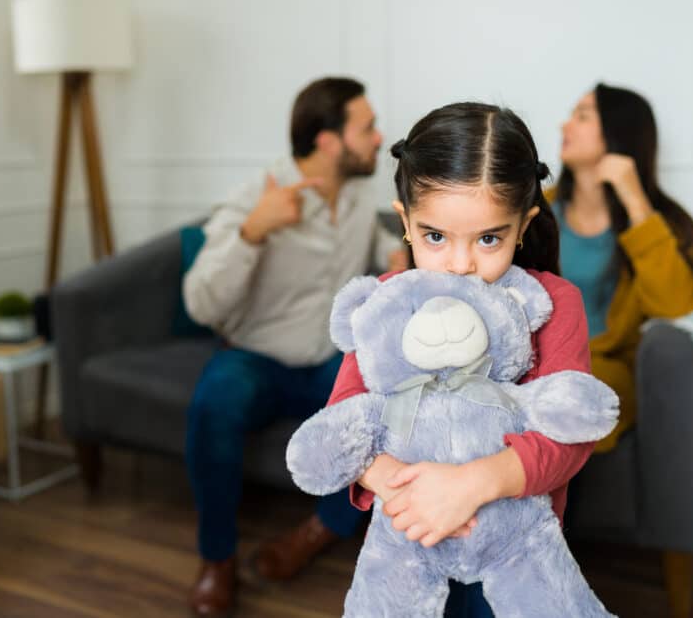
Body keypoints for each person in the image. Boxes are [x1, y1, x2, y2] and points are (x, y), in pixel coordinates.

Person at [327, 102, 601, 616]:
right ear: (405, 221)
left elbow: (569, 436)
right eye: (435, 236)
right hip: (412, 542)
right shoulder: (386, 303)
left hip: (510, 549)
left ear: (524, 226)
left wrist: (472, 485)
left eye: (489, 239)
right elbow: (345, 415)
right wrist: (400, 487)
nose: (459, 265)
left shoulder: (555, 303)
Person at [182, 76, 407, 616]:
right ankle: (217, 560)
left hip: (325, 361)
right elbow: (200, 304)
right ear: (329, 141)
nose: (379, 138)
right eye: (368, 127)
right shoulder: (257, 197)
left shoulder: (355, 199)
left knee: (391, 409)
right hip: (254, 357)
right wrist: (253, 232)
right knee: (214, 404)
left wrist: (398, 259)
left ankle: (318, 531)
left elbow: (377, 250)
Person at [553, 83, 693, 452]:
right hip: (537, 358)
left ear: (616, 134)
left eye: (582, 116)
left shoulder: (659, 222)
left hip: (603, 368)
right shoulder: (538, 209)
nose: (565, 126)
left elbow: (674, 304)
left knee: (568, 398)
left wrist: (634, 198)